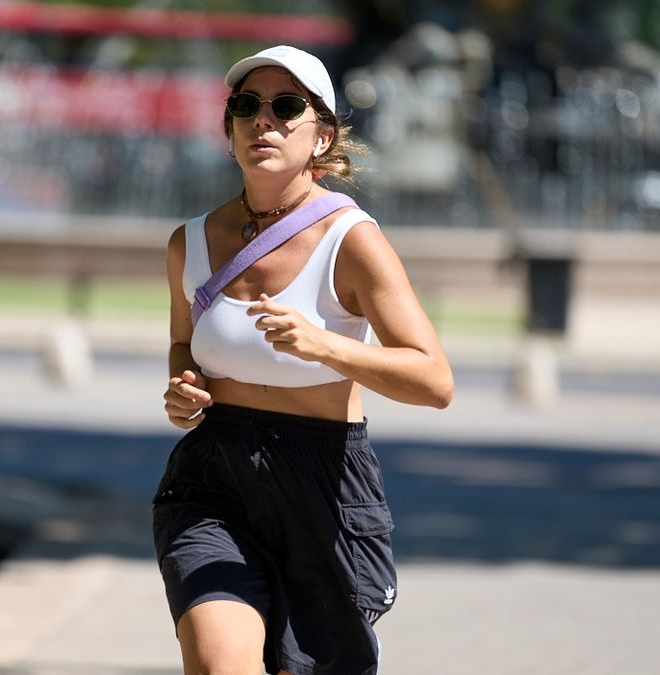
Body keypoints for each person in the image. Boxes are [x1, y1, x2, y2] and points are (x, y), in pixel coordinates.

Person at [155, 45, 454, 675]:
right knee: (218, 665)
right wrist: (184, 385)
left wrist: (326, 347)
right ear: (229, 130)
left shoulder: (354, 240)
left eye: (286, 106)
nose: (263, 121)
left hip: (324, 479)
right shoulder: (190, 243)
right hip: (214, 478)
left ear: (321, 134)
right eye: (246, 107)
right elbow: (186, 344)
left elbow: (434, 380)